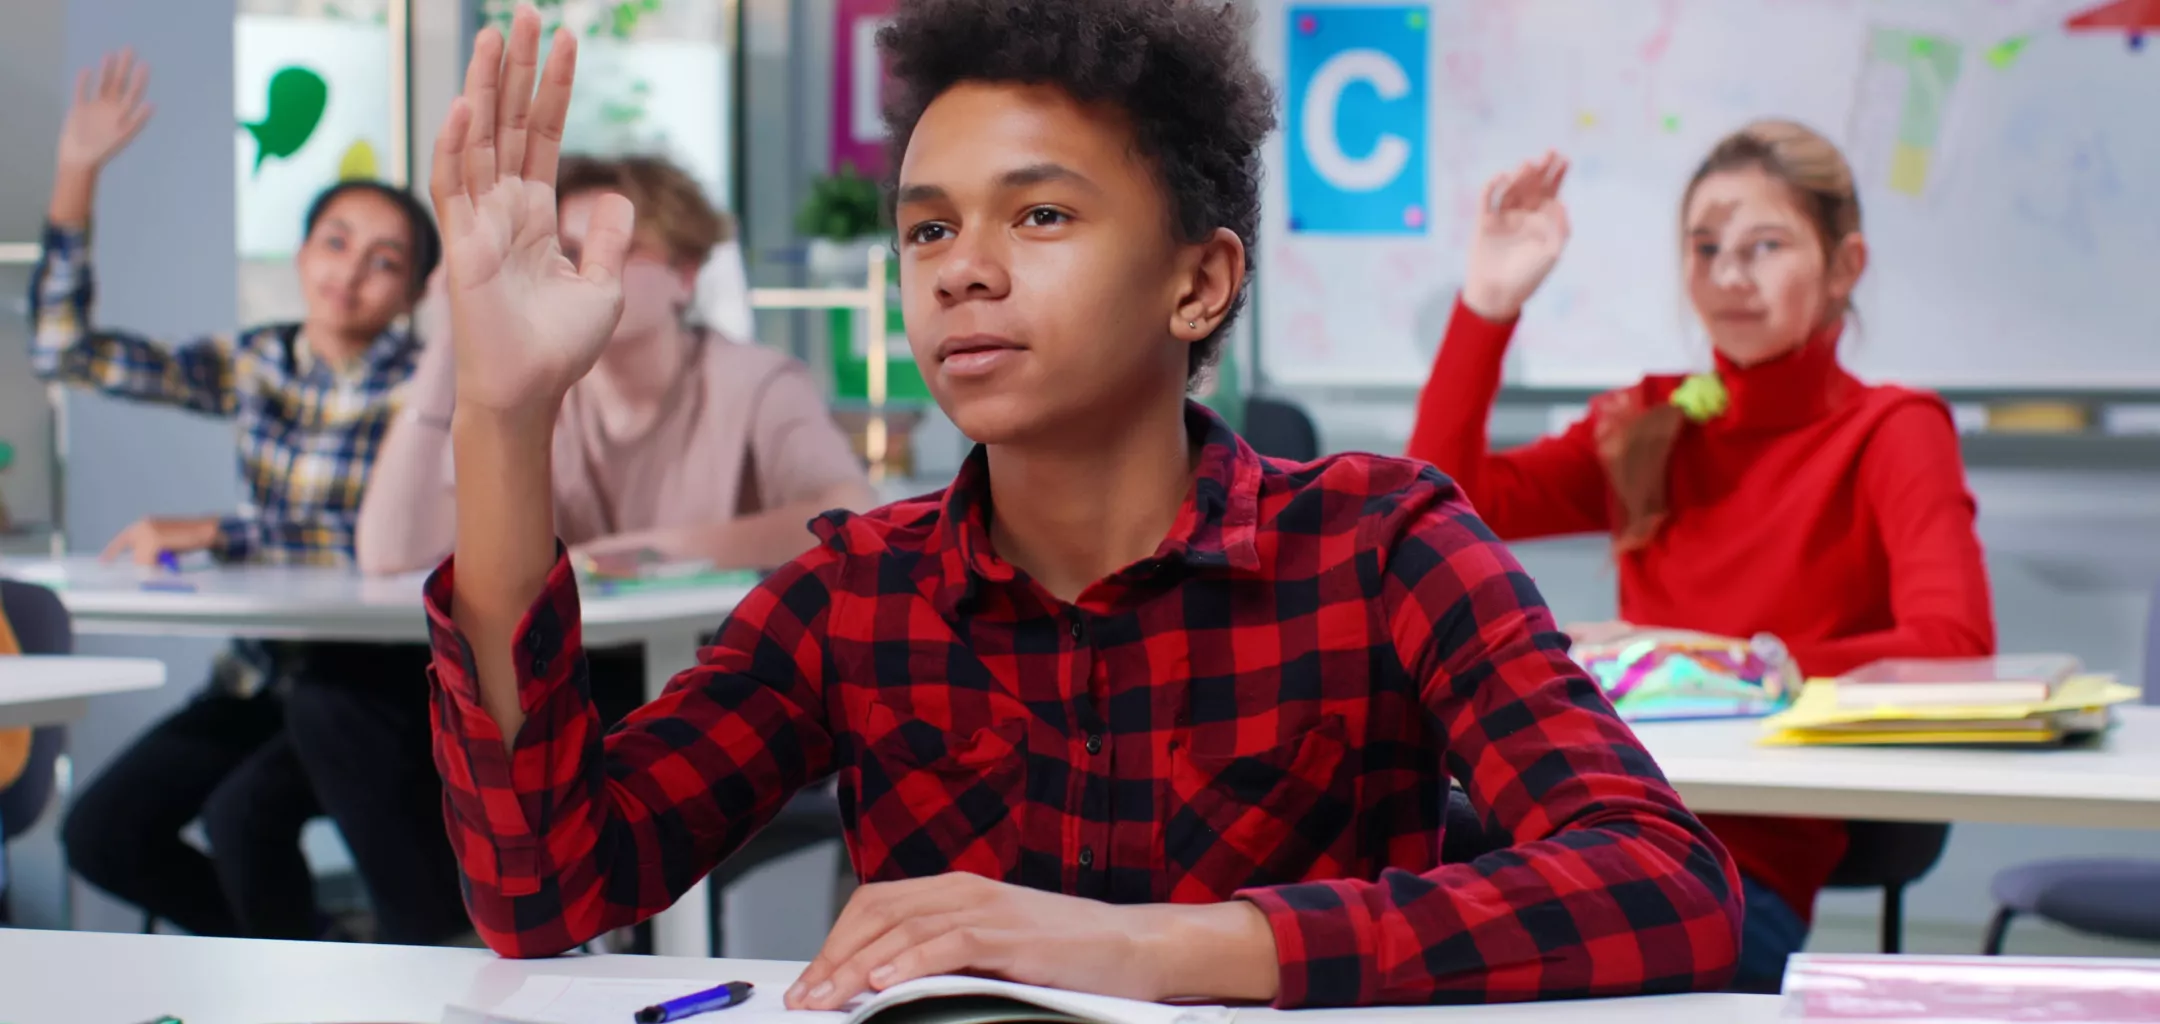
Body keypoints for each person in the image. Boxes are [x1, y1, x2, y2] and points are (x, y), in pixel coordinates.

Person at [423, 0, 1741, 1007]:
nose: (963, 272)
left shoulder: (1385, 546)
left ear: (1200, 283)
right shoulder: (854, 596)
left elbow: (1666, 885)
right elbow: (546, 890)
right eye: (928, 230)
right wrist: (505, 412)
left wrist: (1149, 948)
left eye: (1039, 215)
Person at [1404, 126, 1996, 990]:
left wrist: (1708, 662)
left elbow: (1955, 650)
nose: (1727, 277)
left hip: (1727, 872)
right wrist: (1489, 304)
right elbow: (1440, 505)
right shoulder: (1652, 420)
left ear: (1845, 265)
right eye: (1705, 247)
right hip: (1572, 828)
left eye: (1765, 247)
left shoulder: (1892, 430)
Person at [331, 149, 874, 933]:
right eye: (567, 251)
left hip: (708, 691)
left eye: (618, 248)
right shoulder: (546, 396)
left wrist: (648, 547)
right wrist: (455, 339)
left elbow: (842, 509)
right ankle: (446, 945)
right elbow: (389, 546)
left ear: (686, 275)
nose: (588, 272)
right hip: (572, 678)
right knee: (337, 713)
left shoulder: (754, 380)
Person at [38, 50, 446, 941]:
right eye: (335, 242)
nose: (349, 272)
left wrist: (222, 531)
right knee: (103, 834)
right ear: (302, 251)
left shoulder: (426, 386)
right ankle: (314, 953)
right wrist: (77, 174)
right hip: (263, 672)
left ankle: (313, 973)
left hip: (373, 682)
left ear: (414, 292)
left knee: (243, 816)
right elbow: (67, 356)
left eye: (384, 261)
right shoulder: (258, 362)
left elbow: (384, 538)